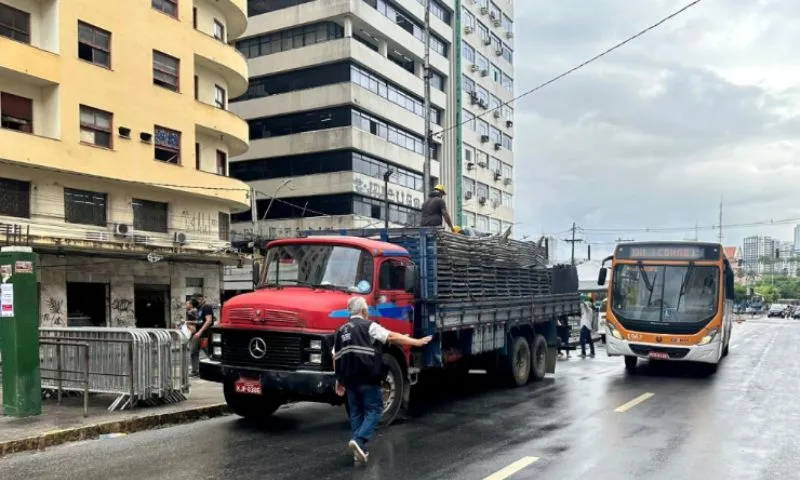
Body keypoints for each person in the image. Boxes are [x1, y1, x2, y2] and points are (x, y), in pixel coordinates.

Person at [333, 296, 432, 465]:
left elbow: (335, 356)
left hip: (349, 380)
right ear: (364, 311)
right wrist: (416, 341)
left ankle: (361, 449)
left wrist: (338, 381)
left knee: (356, 412)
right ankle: (360, 440)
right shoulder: (369, 326)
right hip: (368, 376)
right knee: (375, 410)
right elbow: (391, 337)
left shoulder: (341, 331)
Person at [191, 294, 215, 376]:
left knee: (208, 351)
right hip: (198, 333)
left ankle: (215, 369)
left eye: (196, 299)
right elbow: (200, 320)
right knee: (193, 351)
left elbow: (208, 321)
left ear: (201, 299)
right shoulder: (199, 308)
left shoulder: (207, 307)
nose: (195, 301)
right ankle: (195, 370)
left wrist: (200, 332)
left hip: (205, 333)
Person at [579, 294, 596, 358]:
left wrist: (583, 302)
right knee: (589, 340)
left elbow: (585, 306)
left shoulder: (589, 310)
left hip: (585, 326)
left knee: (581, 339)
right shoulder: (587, 310)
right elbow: (583, 308)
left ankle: (583, 353)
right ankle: (592, 352)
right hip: (586, 326)